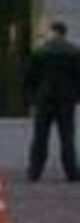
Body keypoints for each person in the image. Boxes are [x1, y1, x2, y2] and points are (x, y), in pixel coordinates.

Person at [26, 21, 80, 182]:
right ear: (64, 33)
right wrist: (76, 96)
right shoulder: (74, 52)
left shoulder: (39, 52)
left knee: (40, 137)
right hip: (66, 99)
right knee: (67, 137)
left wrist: (32, 98)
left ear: (52, 32)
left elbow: (30, 77)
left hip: (44, 98)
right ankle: (72, 172)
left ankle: (35, 171)